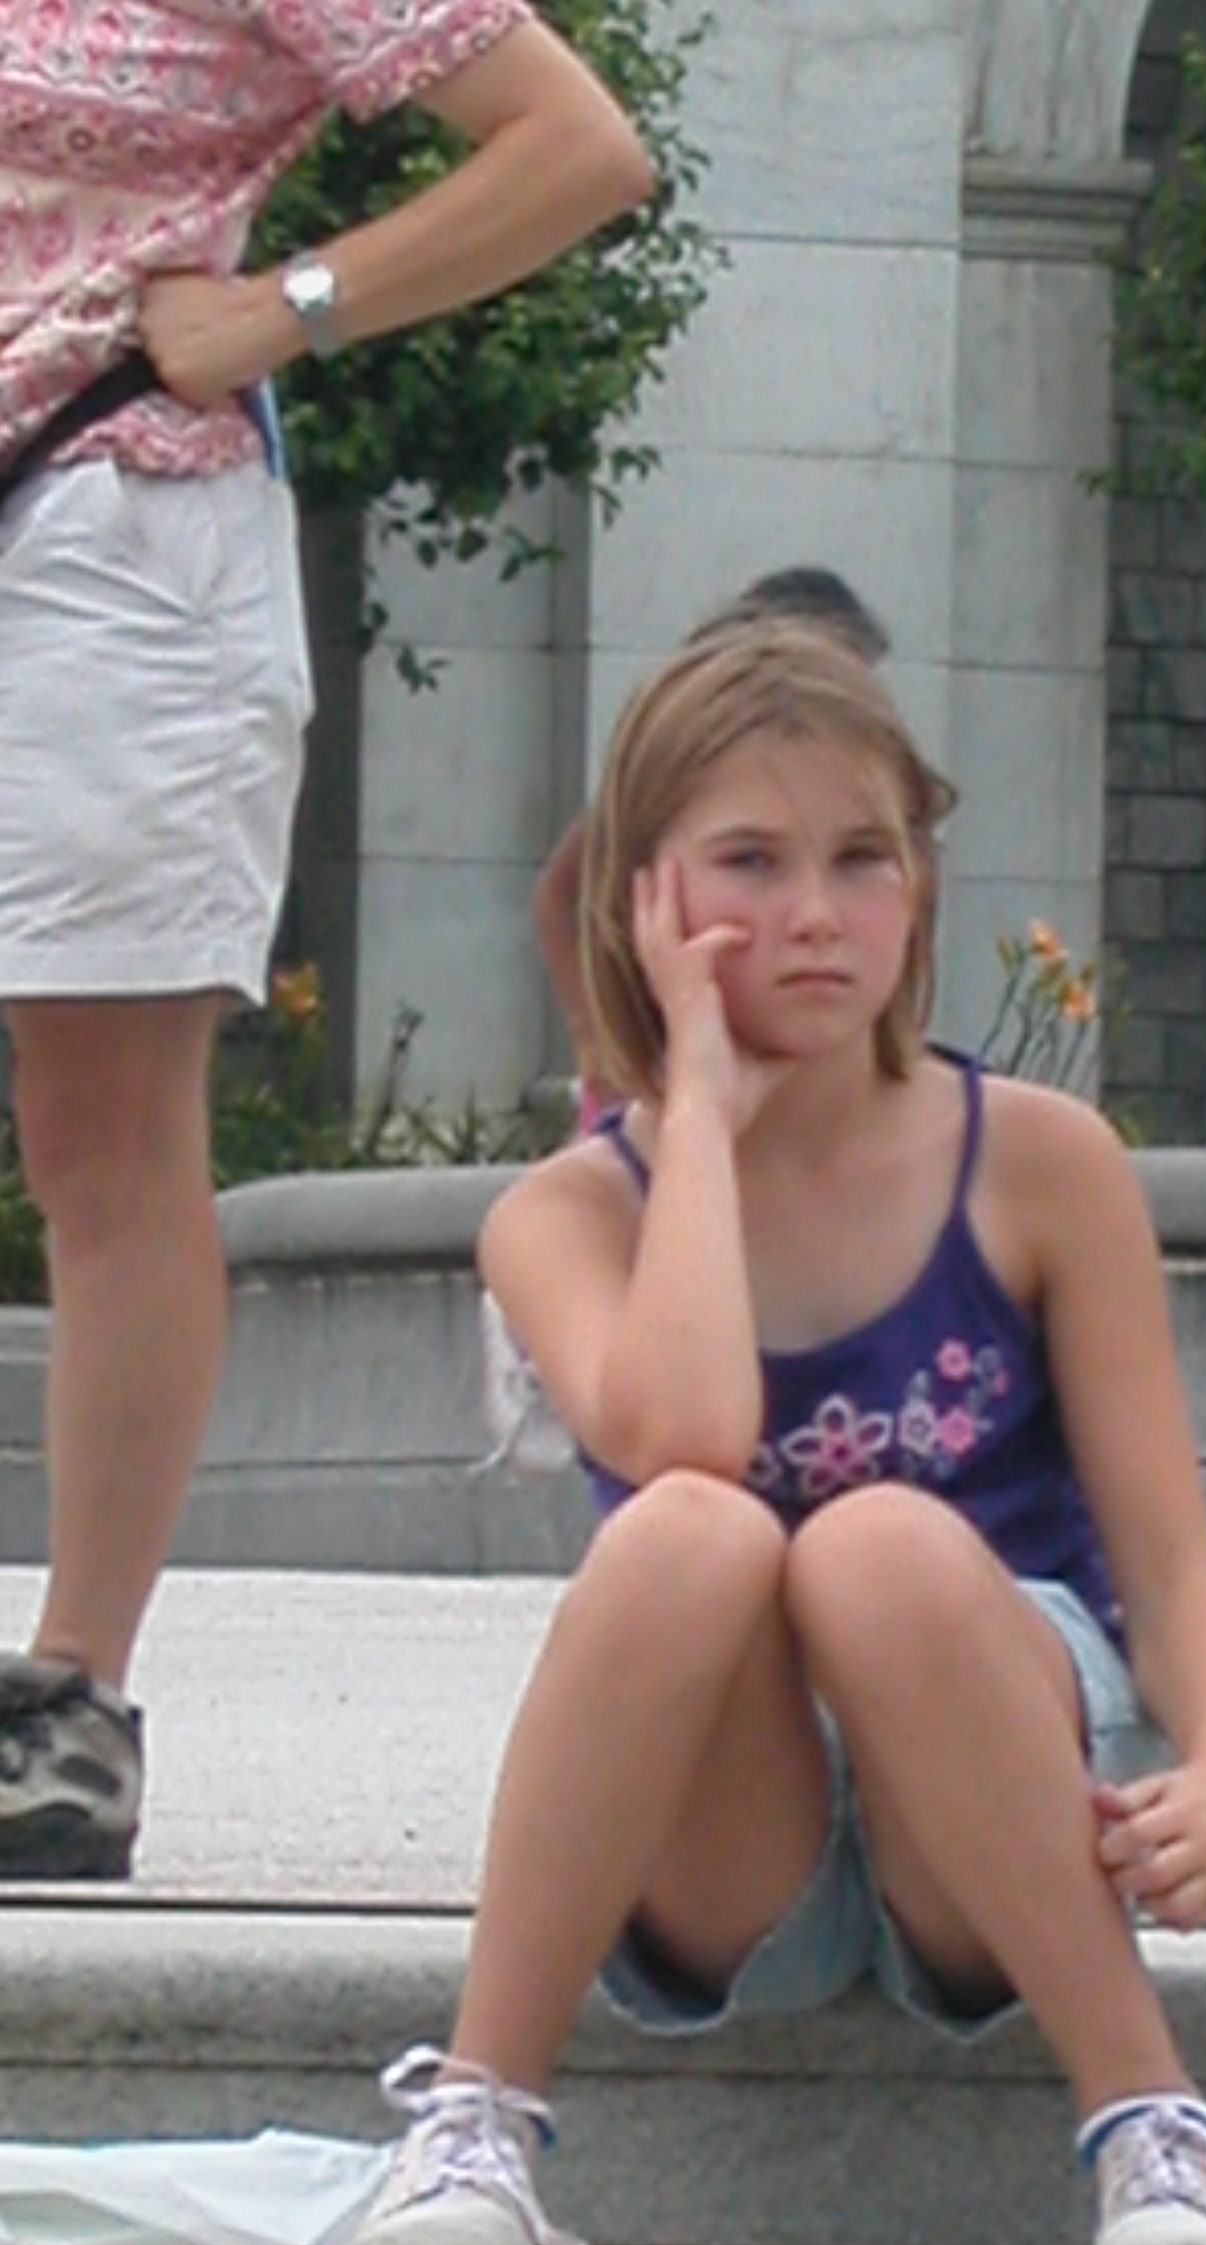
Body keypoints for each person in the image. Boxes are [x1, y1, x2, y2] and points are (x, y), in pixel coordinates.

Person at [349, 617, 1206, 2245]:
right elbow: (684, 1438)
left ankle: (1157, 2128)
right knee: (690, 1534)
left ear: (920, 883)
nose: (811, 915)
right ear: (645, 899)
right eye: (747, 864)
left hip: (993, 1764)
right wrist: (694, 1117)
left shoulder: (1042, 1165)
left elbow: (1168, 1560)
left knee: (874, 1547)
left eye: (862, 859)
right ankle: (476, 2115)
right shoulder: (564, 1215)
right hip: (736, 1833)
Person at [0, 4, 655, 1880]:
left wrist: (279, 305)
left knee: (102, 1140)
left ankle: (72, 1703)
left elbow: (573, 146)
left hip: (103, 527)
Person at [529, 565, 892, 1113]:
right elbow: (559, 892)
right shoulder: (688, 775)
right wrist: (596, 1034)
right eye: (749, 859)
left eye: (859, 857)